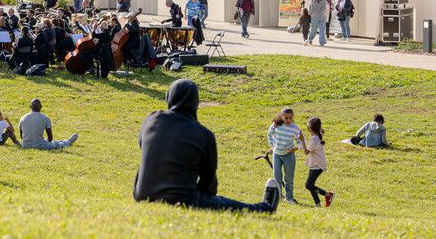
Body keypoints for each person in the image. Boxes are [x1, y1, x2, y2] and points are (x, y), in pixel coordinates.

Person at [134, 79, 280, 213]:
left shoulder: (151, 119)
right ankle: (265, 208)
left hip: (142, 194)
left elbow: (145, 147)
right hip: (182, 200)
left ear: (169, 97)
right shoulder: (204, 134)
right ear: (196, 103)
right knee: (225, 203)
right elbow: (209, 184)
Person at [267, 108, 306, 204]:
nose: (288, 120)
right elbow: (269, 134)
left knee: (289, 178)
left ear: (293, 117)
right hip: (277, 155)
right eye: (286, 118)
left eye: (290, 118)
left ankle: (289, 198)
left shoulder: (295, 128)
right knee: (277, 176)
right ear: (281, 116)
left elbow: (300, 141)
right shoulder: (276, 125)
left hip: (289, 156)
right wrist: (272, 146)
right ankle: (279, 196)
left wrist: (295, 148)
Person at [304, 117, 334, 207]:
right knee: (311, 185)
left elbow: (306, 152)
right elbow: (321, 131)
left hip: (317, 165)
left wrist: (301, 140)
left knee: (308, 185)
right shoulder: (317, 136)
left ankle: (328, 195)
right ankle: (317, 204)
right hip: (316, 164)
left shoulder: (313, 139)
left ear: (311, 128)